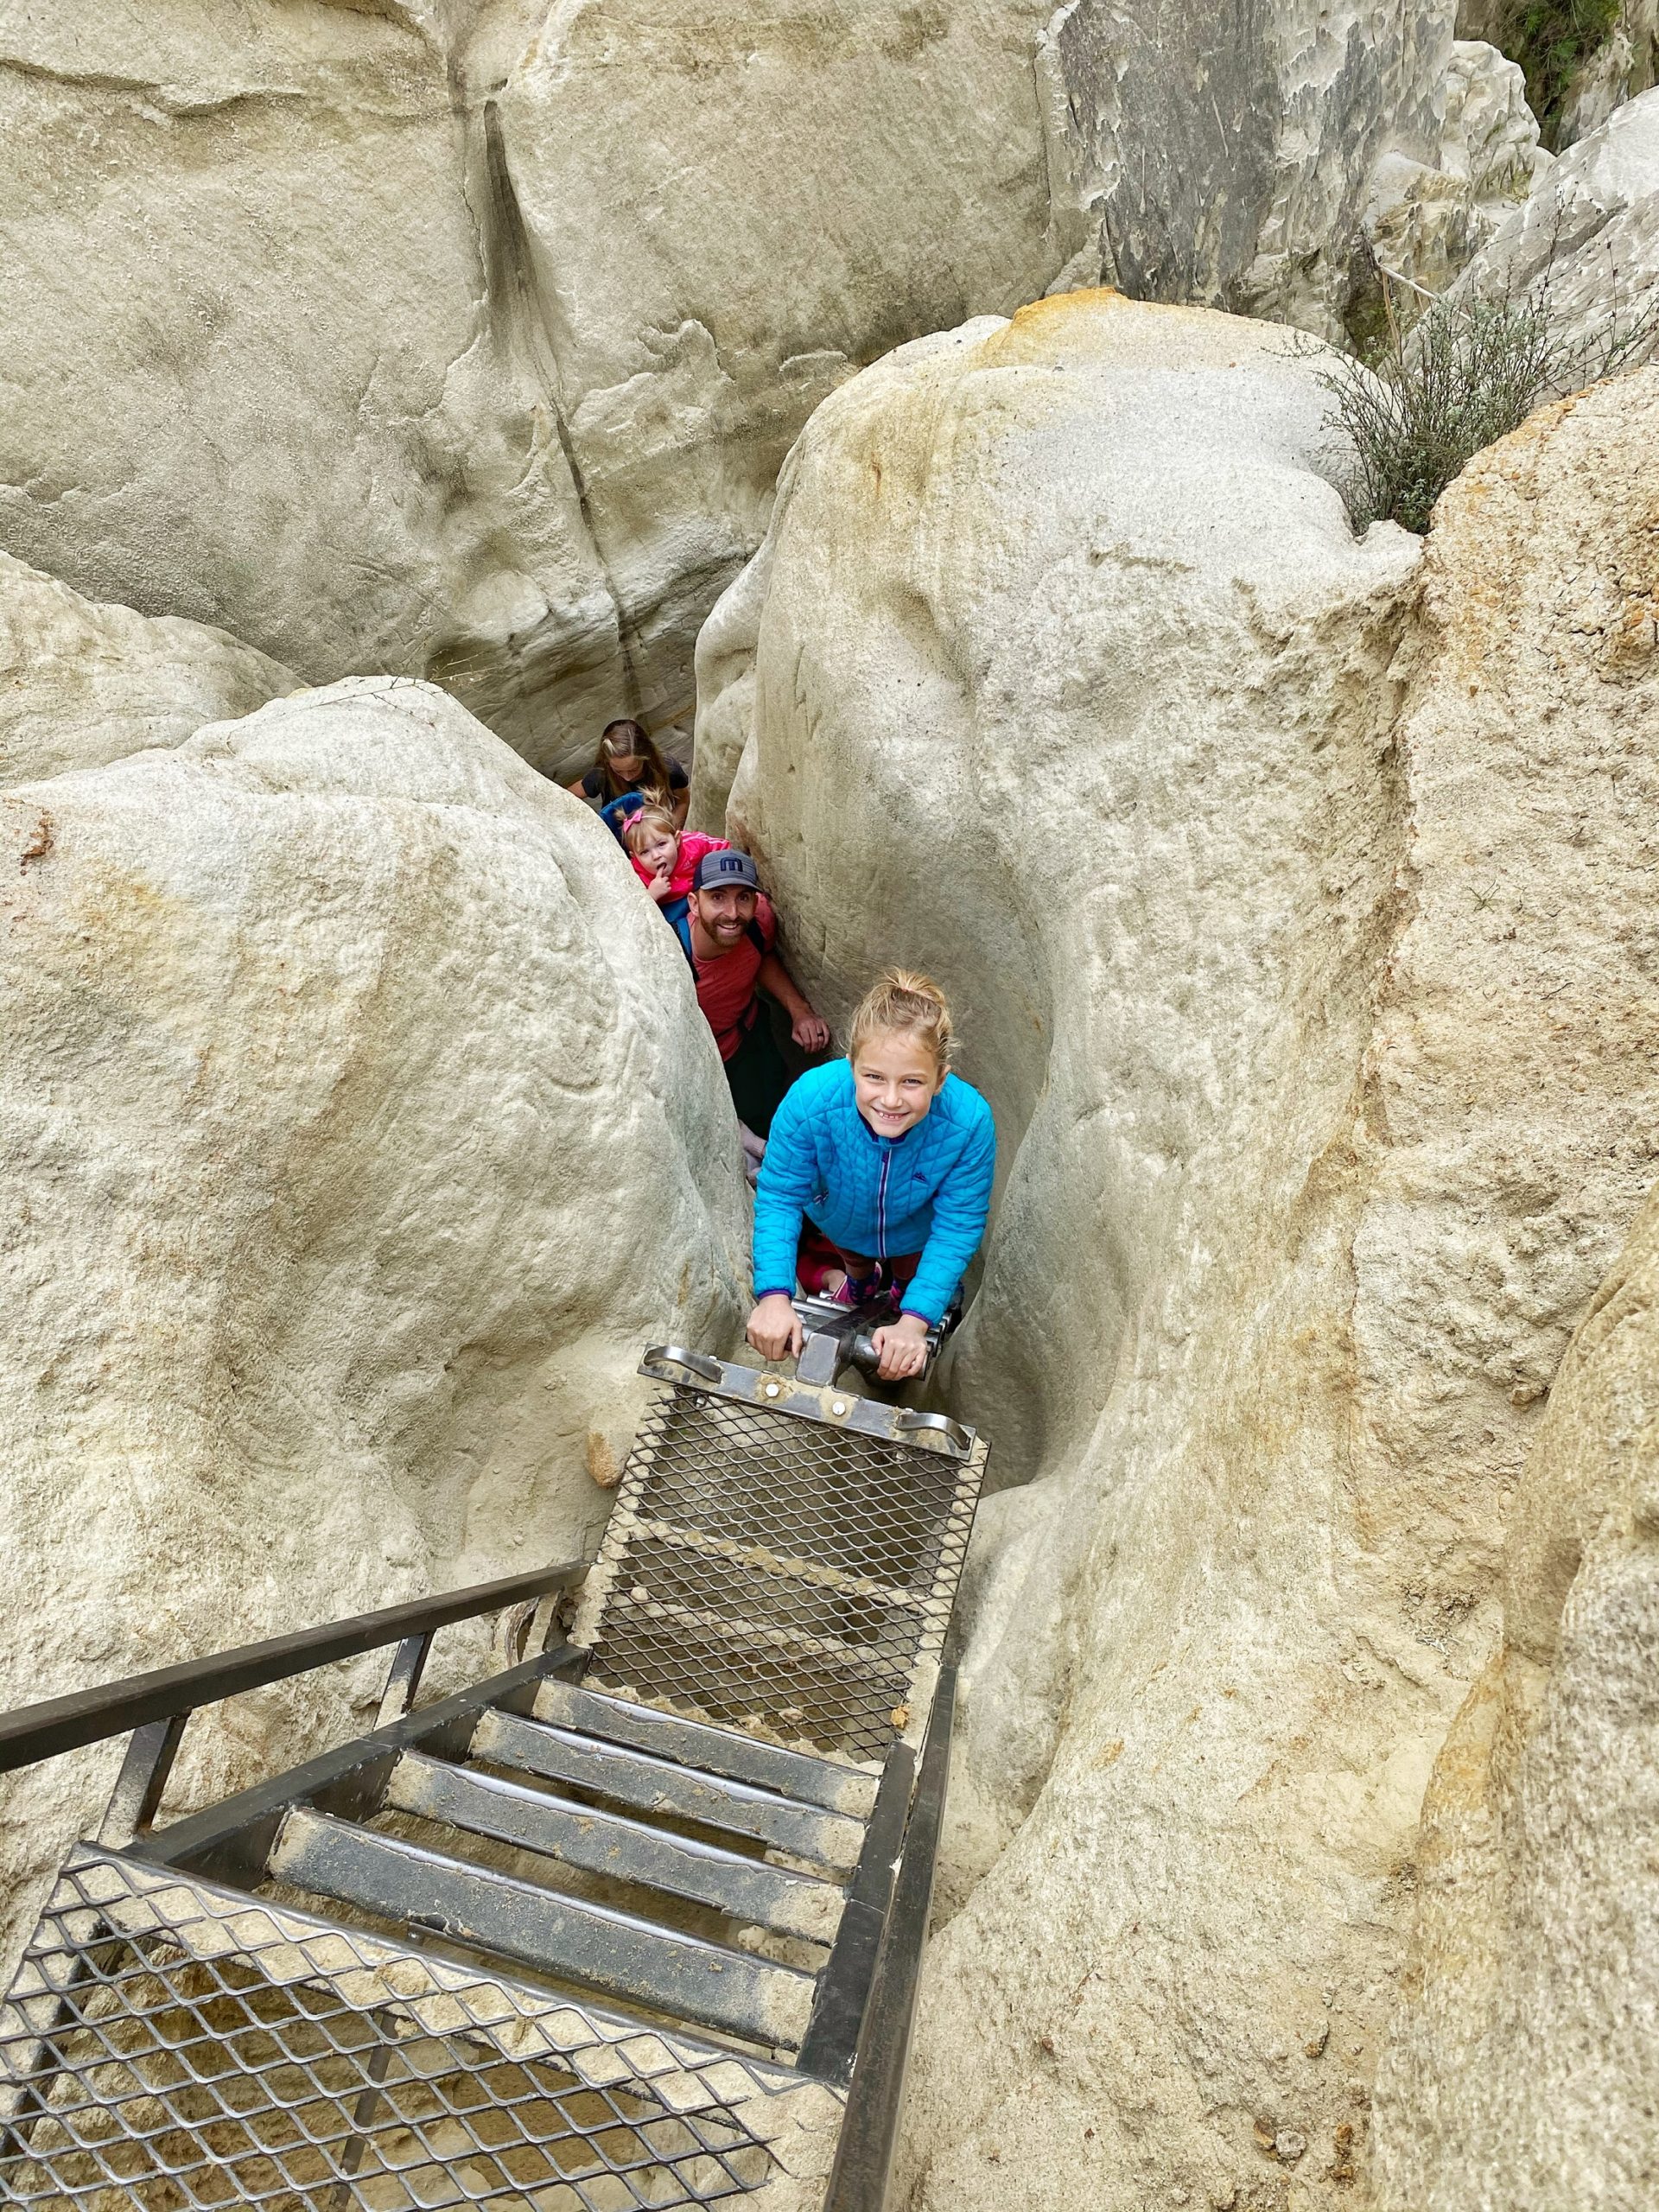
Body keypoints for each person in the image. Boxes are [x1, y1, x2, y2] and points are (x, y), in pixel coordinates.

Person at [746, 970, 995, 1382]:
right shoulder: (812, 1101)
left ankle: (900, 1291)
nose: (891, 1099)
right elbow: (780, 1196)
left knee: (908, 1275)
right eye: (874, 1077)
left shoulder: (968, 1122)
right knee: (855, 1260)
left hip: (913, 1230)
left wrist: (914, 1322)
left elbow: (958, 1225)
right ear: (851, 1066)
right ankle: (861, 1284)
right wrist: (774, 1296)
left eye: (912, 1082)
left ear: (940, 1080)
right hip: (841, 1220)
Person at [683, 849, 829, 1143]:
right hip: (699, 1064)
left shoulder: (759, 922)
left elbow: (761, 956)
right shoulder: (671, 953)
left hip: (749, 1041)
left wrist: (798, 1010)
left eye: (743, 897)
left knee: (774, 1120)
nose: (733, 913)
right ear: (694, 903)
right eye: (718, 897)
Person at [567, 718, 689, 829]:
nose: (627, 777)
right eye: (618, 770)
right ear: (608, 763)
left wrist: (673, 830)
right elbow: (566, 795)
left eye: (633, 769)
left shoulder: (668, 768)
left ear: (646, 758)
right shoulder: (602, 774)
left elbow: (683, 800)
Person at [622, 804, 728, 908]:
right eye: (644, 852)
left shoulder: (693, 845)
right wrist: (650, 895)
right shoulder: (634, 876)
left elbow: (726, 848)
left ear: (677, 839)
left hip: (700, 897)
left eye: (661, 844)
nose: (656, 856)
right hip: (669, 912)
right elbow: (630, 909)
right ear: (634, 856)